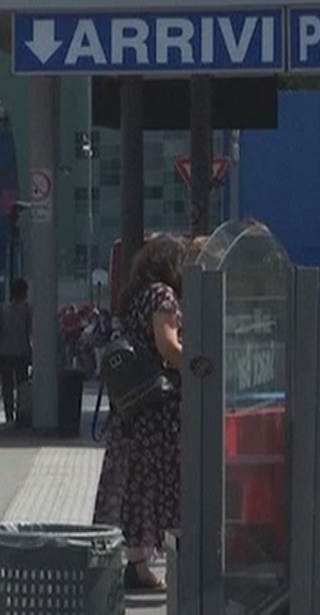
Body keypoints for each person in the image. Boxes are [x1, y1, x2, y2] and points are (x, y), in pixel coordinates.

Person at [93, 234, 186, 592]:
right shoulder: (163, 295)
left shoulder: (132, 296)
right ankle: (173, 561)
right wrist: (197, 362)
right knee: (169, 483)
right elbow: (168, 346)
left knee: (137, 485)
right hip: (159, 409)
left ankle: (137, 563)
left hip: (132, 405)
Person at [0, 278, 32, 425]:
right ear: (25, 293)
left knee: (7, 385)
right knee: (22, 384)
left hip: (4, 351)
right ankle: (22, 413)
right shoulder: (28, 310)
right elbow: (30, 330)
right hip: (22, 351)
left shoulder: (1, 309)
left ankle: (8, 414)